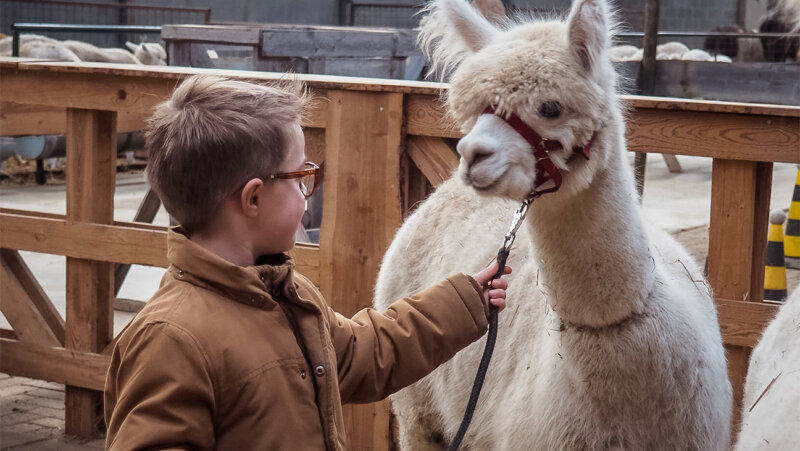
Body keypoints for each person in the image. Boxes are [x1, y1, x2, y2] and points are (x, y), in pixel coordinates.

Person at [104, 74, 511, 450]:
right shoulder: (168, 339)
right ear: (254, 198)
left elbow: (362, 353)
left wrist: (464, 302)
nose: (308, 191)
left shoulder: (288, 295)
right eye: (301, 176)